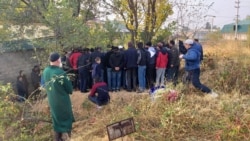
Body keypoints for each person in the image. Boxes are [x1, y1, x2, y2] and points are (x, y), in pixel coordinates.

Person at [42, 52, 74, 141]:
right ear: (58, 60)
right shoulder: (60, 73)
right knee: (66, 122)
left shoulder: (45, 71)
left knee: (56, 121)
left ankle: (57, 139)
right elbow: (70, 89)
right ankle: (67, 138)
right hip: (63, 102)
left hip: (52, 101)